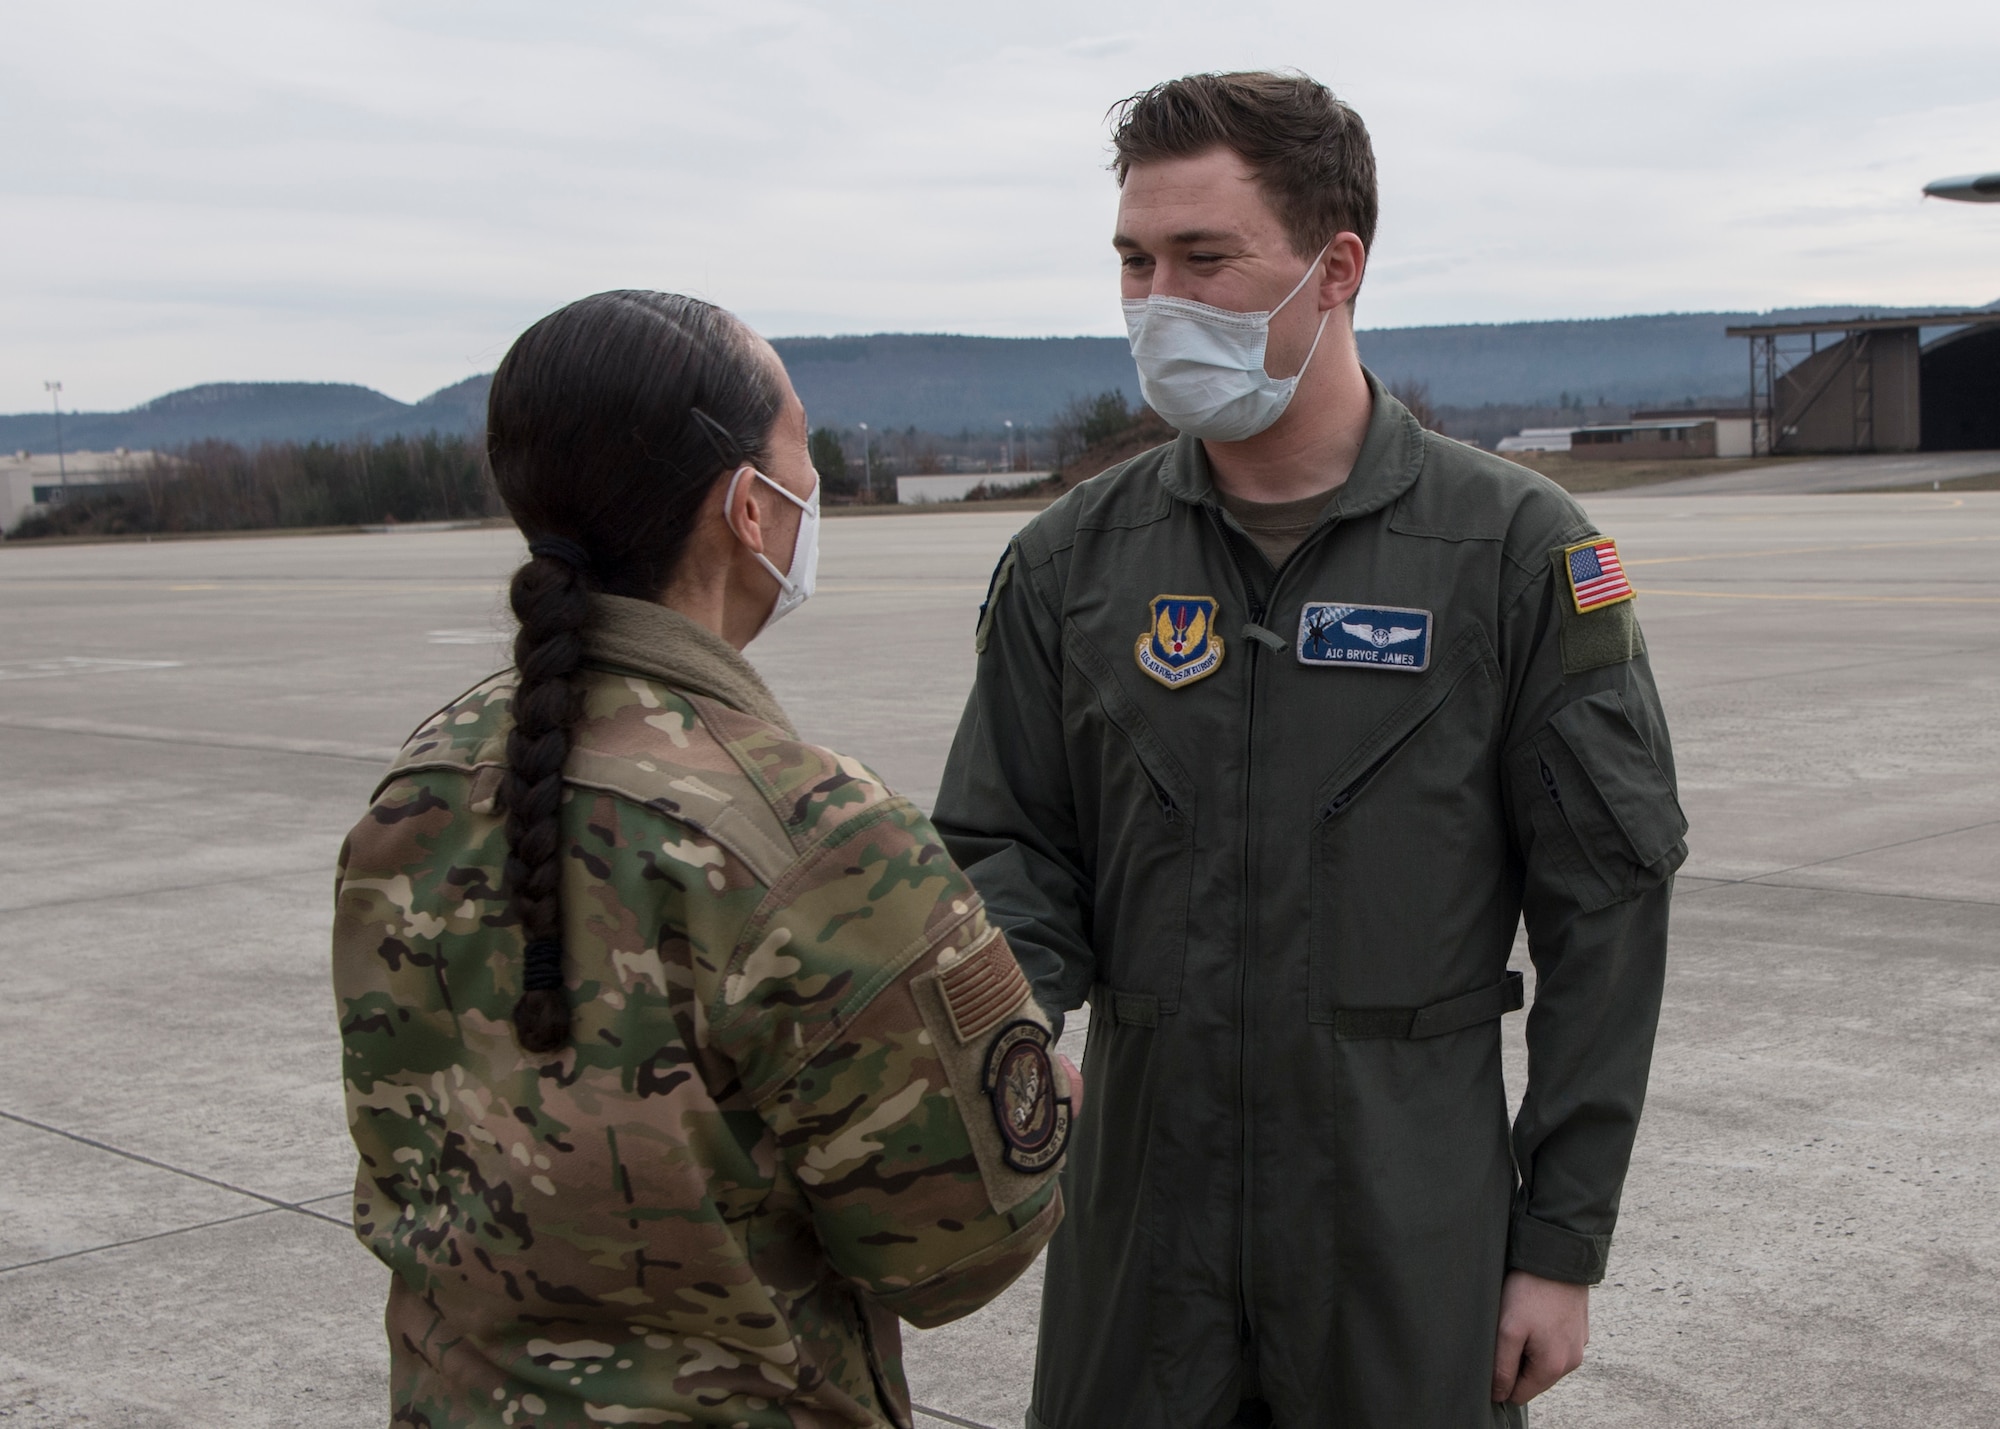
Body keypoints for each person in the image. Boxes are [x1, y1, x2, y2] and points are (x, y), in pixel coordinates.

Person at [934, 73, 1686, 1429]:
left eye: (1204, 259)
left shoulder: (1517, 558)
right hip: (1140, 1242)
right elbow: (1007, 844)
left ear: (1336, 268)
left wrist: (1561, 1241)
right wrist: (1017, 1015)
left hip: (1405, 1239)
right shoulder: (1069, 567)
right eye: (1133, 260)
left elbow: (1606, 915)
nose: (1157, 298)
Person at [331, 290, 1075, 1429]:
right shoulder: (807, 828)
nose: (811, 480)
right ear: (748, 506)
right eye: (802, 446)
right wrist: (1045, 1102)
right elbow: (954, 1249)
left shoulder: (424, 780)